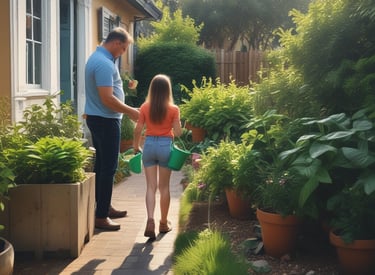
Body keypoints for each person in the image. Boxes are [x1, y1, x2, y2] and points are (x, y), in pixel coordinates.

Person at [84, 27, 139, 231]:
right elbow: (107, 99)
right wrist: (131, 111)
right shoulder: (103, 63)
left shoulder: (99, 59)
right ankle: (101, 216)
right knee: (109, 168)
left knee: (101, 167)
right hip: (105, 120)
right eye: (123, 48)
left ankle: (104, 207)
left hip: (99, 118)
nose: (123, 53)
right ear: (116, 43)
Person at [133, 74, 183, 239]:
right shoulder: (174, 109)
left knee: (150, 187)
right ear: (168, 90)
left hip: (148, 146)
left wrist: (135, 146)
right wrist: (179, 124)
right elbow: (178, 132)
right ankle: (163, 223)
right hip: (165, 147)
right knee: (164, 188)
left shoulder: (145, 107)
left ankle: (150, 220)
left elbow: (138, 128)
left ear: (152, 89)